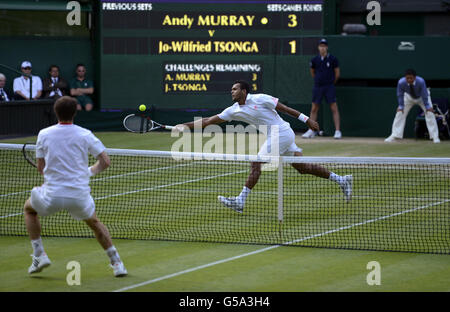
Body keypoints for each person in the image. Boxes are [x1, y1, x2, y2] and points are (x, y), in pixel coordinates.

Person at [175, 80, 353, 213]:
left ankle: (240, 201)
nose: (232, 91)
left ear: (244, 91)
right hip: (277, 136)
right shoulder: (233, 110)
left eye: (235, 89)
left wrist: (307, 120)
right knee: (303, 168)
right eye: (231, 89)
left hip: (281, 132)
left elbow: (284, 108)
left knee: (256, 163)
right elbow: (207, 121)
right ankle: (341, 180)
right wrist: (182, 126)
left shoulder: (260, 98)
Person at [24, 96, 127, 277]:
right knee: (95, 224)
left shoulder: (44, 134)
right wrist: (89, 172)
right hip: (79, 196)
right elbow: (105, 162)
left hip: (51, 196)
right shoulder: (85, 134)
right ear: (75, 113)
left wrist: (49, 175)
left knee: (29, 210)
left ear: (56, 112)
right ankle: (117, 263)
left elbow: (41, 168)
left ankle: (39, 254)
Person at [385, 69, 440, 143]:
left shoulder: (421, 81)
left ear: (415, 77)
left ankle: (435, 137)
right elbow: (400, 94)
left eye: (411, 78)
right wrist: (401, 106)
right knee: (400, 113)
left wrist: (427, 106)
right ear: (405, 77)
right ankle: (395, 135)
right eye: (407, 78)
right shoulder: (401, 82)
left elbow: (424, 94)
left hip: (422, 98)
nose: (409, 80)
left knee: (430, 113)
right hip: (408, 97)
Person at [302, 39, 342, 139]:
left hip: (329, 86)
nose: (322, 48)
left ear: (327, 47)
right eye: (321, 46)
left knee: (334, 108)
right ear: (318, 47)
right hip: (318, 86)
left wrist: (330, 82)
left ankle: (337, 131)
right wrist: (318, 80)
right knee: (314, 108)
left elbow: (337, 74)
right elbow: (312, 73)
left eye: (324, 46)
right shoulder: (314, 60)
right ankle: (311, 130)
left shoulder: (333, 59)